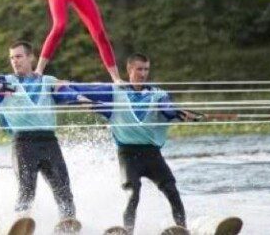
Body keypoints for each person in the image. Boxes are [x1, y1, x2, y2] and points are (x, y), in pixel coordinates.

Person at [74, 53, 199, 233]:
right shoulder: (116, 92)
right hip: (128, 156)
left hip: (152, 155)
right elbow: (85, 91)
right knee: (133, 194)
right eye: (139, 69)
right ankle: (128, 232)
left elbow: (167, 109)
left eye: (146, 69)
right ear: (129, 70)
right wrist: (66, 87)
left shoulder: (158, 94)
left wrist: (178, 114)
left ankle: (182, 230)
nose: (143, 73)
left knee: (172, 191)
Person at [0, 41, 81, 226]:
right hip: (23, 143)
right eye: (11, 58)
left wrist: (80, 96)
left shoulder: (47, 81)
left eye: (18, 56)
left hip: (49, 141)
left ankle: (68, 223)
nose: (14, 61)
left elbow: (69, 94)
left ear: (31, 57)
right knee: (27, 189)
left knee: (63, 188)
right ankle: (20, 224)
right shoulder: (5, 82)